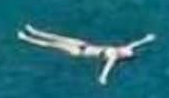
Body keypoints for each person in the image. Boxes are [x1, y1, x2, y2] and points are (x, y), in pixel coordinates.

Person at [17, 25, 157, 85]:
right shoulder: (121, 49)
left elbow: (107, 67)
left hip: (79, 52)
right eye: (129, 50)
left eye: (129, 52)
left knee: (52, 45)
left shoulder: (114, 57)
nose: (129, 49)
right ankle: (34, 31)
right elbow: (135, 43)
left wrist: (103, 77)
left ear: (125, 56)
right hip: (84, 44)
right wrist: (146, 39)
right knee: (57, 37)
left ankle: (25, 38)